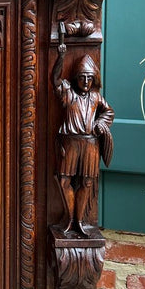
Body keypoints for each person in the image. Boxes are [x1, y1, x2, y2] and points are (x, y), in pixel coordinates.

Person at [52, 29, 114, 235]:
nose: (86, 82)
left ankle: (80, 221)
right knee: (64, 180)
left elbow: (109, 112)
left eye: (89, 78)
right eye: (82, 77)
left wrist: (100, 124)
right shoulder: (69, 93)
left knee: (87, 182)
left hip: (90, 144)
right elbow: (55, 80)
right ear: (76, 78)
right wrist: (61, 57)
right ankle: (69, 219)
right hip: (70, 142)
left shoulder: (96, 97)